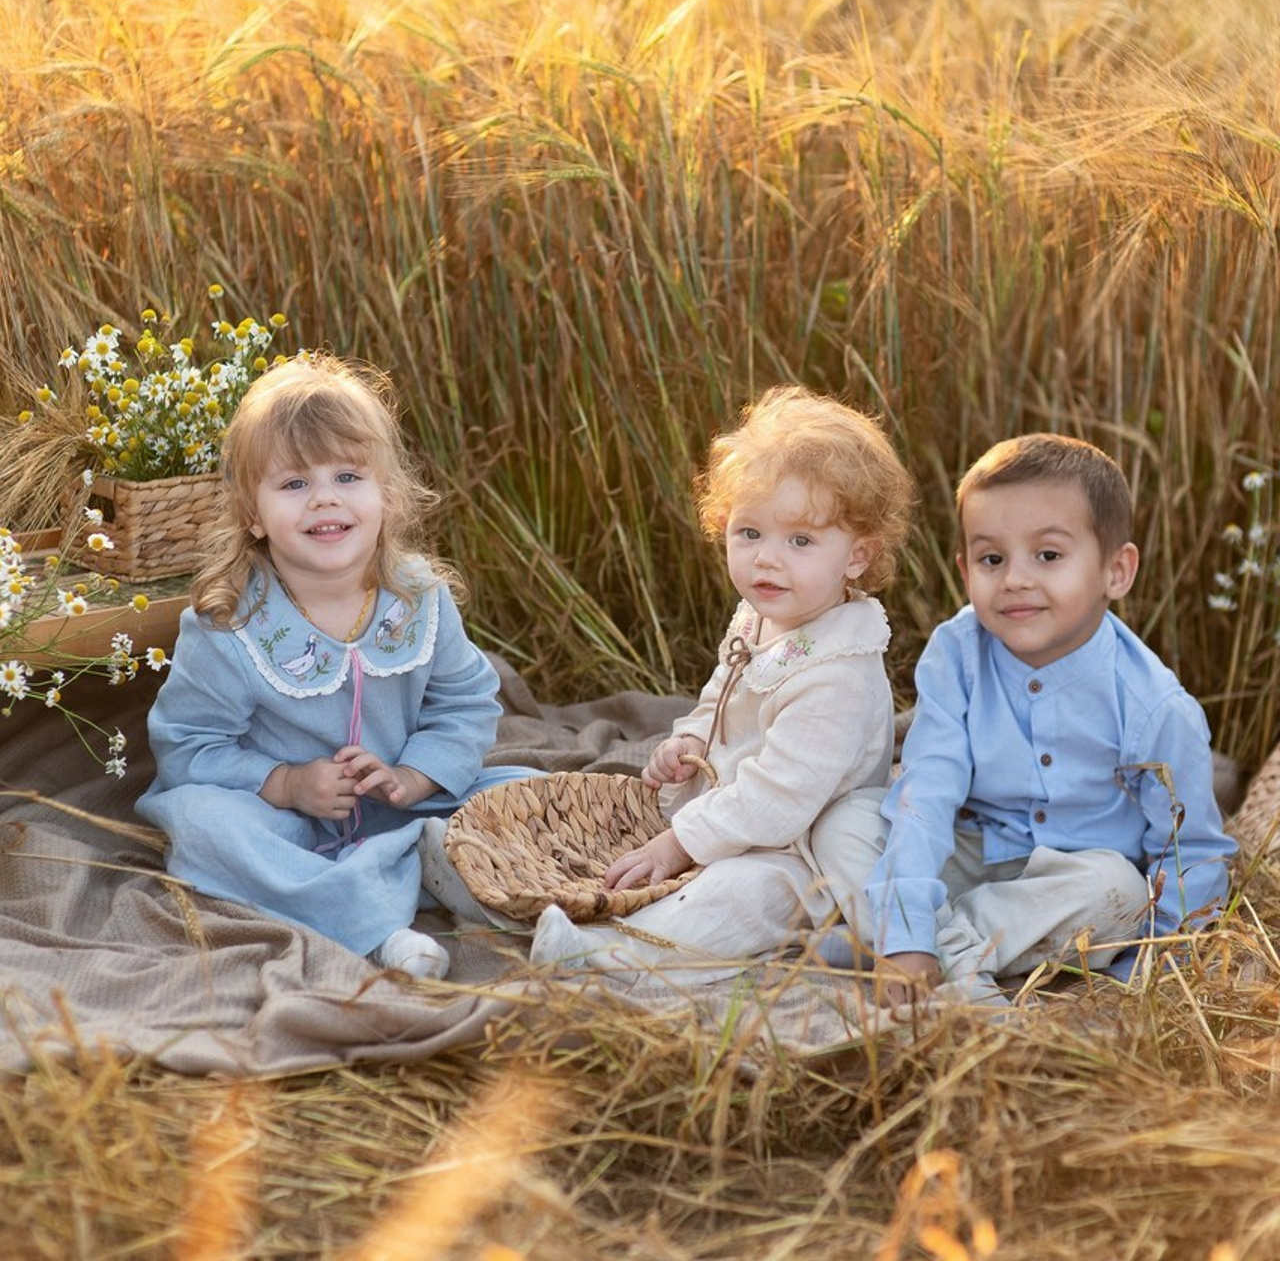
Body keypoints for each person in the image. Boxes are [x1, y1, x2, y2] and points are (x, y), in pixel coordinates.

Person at [136, 355, 532, 979]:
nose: (324, 498)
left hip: (403, 808)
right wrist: (288, 784)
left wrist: (414, 778)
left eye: (348, 476)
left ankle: (417, 859)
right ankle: (377, 929)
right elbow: (188, 747)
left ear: (388, 495)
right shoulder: (230, 624)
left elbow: (466, 705)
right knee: (202, 825)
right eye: (293, 484)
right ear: (251, 512)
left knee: (523, 793)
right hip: (281, 826)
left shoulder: (418, 600)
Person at [530, 384, 915, 982]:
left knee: (739, 896)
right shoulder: (764, 617)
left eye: (801, 541)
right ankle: (577, 912)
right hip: (727, 815)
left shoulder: (837, 673)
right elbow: (720, 698)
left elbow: (781, 797)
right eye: (750, 533)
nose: (767, 559)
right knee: (627, 848)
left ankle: (622, 959)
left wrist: (680, 843)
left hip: (798, 852)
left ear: (858, 556)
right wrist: (689, 742)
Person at [865, 433, 1237, 1009]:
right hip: (966, 850)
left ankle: (934, 949)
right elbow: (928, 787)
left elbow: (1189, 853)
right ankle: (923, 934)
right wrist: (909, 904)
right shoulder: (957, 653)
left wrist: (1154, 971)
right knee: (853, 817)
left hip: (1069, 884)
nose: (1014, 578)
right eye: (992, 559)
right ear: (965, 567)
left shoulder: (1154, 705)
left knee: (1120, 891)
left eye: (1048, 555)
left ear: (1116, 571)